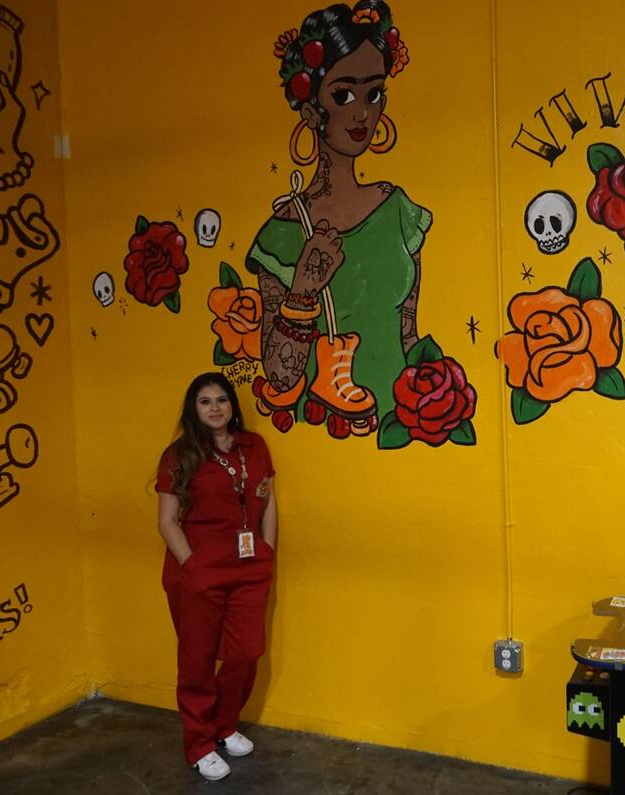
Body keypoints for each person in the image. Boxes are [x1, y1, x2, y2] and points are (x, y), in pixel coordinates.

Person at [248, 0, 429, 440]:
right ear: (310, 111)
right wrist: (304, 290)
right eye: (344, 95)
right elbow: (280, 378)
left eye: (374, 93)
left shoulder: (400, 212)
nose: (363, 112)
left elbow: (408, 336)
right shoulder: (281, 235)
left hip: (400, 432)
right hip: (323, 439)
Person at [155, 372, 278, 781]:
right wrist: (191, 564)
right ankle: (199, 744)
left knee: (246, 651)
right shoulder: (179, 456)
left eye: (221, 400)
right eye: (205, 401)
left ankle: (224, 726)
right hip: (197, 571)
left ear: (232, 406)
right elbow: (168, 520)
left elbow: (268, 499)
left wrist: (267, 550)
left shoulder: (254, 447)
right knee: (198, 661)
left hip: (248, 567)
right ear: (194, 409)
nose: (214, 408)